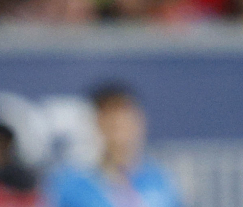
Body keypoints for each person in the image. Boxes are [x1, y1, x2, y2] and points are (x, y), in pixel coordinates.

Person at [47, 84, 183, 207]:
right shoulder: (70, 184)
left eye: (126, 122)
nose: (120, 136)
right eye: (113, 125)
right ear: (95, 125)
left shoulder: (159, 180)